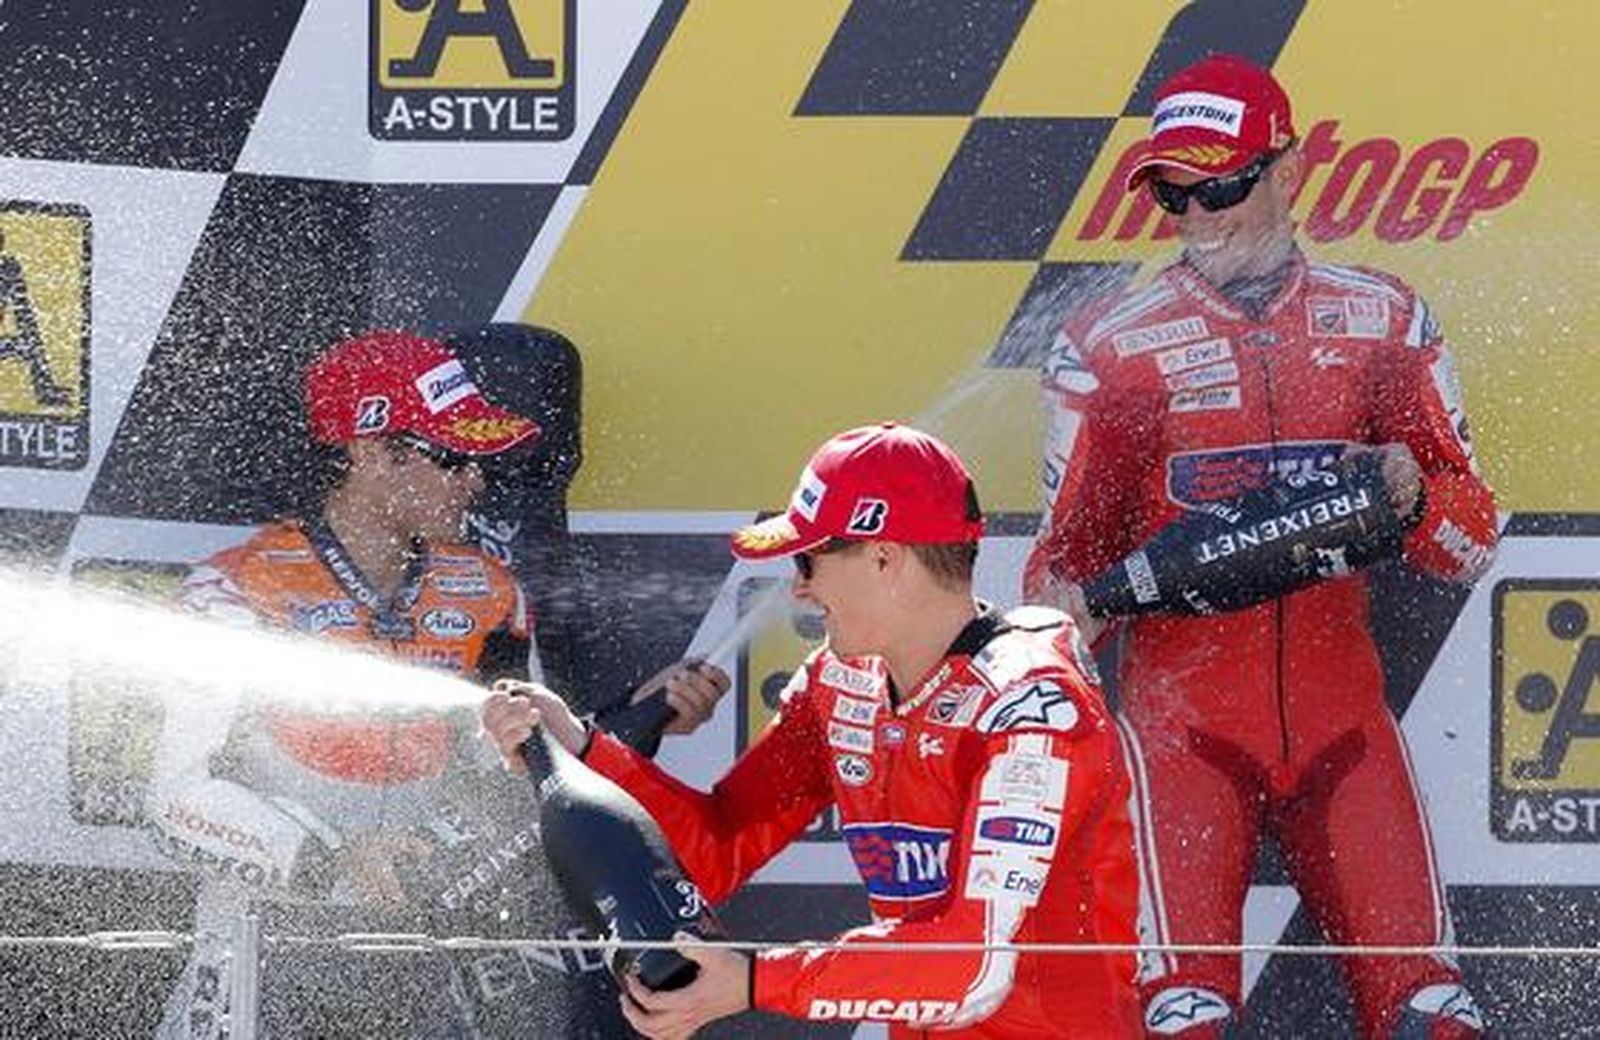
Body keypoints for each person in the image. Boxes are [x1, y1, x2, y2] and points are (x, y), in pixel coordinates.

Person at [1022, 54, 1497, 1039]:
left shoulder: (1384, 321)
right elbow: (1057, 573)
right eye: (1171, 192)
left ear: (1288, 171)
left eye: (1224, 184)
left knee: (1432, 1014)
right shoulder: (1110, 349)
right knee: (1177, 1018)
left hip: (1343, 723)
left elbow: (1468, 543)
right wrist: (1067, 615)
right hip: (1180, 733)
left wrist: (1414, 501)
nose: (1199, 215)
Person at [145, 329, 728, 1038]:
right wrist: (333, 861)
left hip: (426, 975)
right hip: (261, 971)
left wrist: (636, 717)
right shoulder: (235, 591)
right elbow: (173, 798)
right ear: (367, 454)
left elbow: (520, 770)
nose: (474, 481)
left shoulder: (488, 593)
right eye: (451, 458)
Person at [483, 421, 1142, 1038]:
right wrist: (583, 748)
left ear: (885, 559)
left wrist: (756, 980)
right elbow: (714, 852)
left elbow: (974, 967)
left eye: (807, 563)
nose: (798, 589)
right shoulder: (840, 685)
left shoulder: (1032, 706)